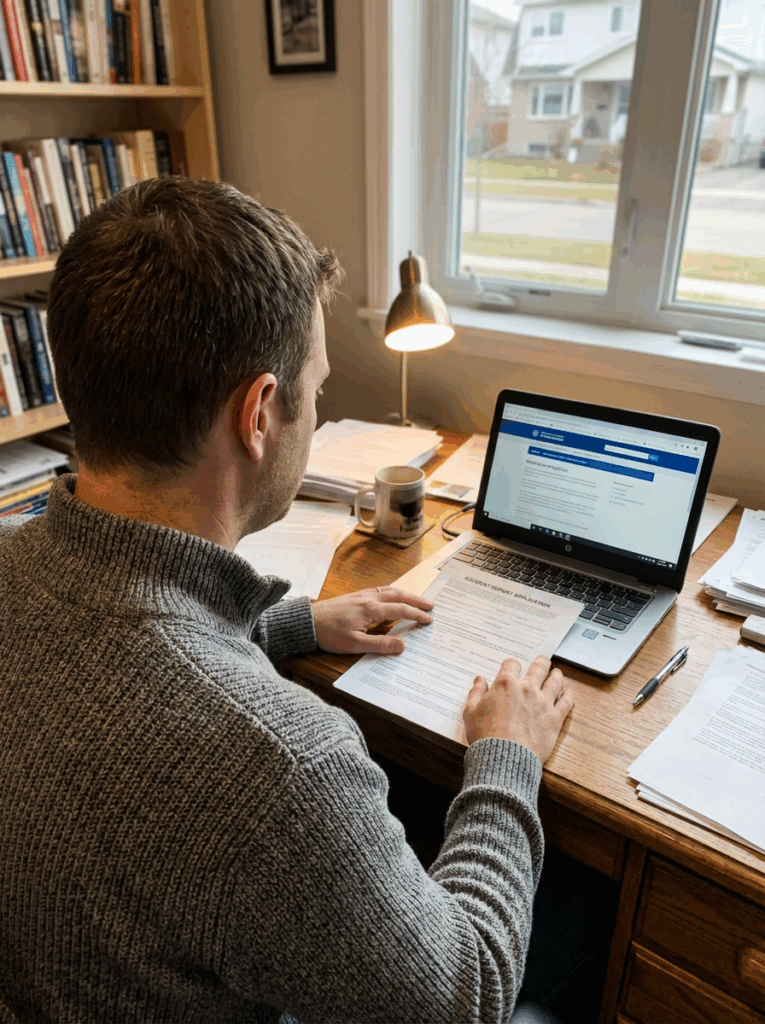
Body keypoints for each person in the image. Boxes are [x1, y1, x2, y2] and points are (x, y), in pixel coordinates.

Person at [0, 177, 573, 1024]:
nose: (319, 408)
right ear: (260, 413)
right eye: (316, 386)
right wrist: (506, 759)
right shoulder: (278, 766)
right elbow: (465, 997)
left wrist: (287, 623)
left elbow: (114, 638)